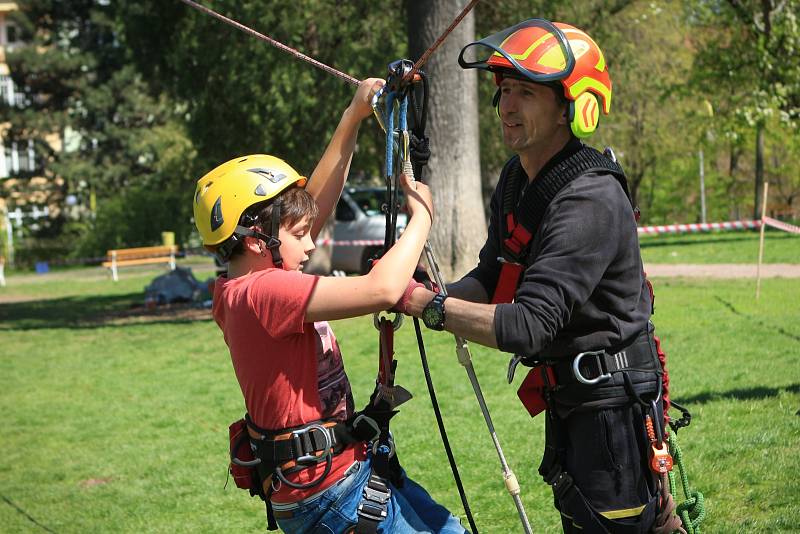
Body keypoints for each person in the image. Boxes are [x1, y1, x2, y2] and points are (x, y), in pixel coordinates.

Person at [401, 20, 683, 534]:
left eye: (525, 93)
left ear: (572, 107)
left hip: (612, 412)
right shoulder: (517, 179)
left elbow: (529, 325)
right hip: (571, 402)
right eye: (505, 91)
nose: (508, 106)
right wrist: (433, 292)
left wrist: (429, 308)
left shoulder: (588, 198)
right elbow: (491, 276)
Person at [192, 78, 467, 534]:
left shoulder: (238, 287)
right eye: (299, 234)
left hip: (340, 476)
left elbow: (314, 204)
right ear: (257, 238)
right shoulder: (266, 292)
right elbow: (381, 288)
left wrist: (354, 116)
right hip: (329, 492)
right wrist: (424, 216)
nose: (312, 239)